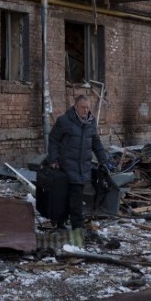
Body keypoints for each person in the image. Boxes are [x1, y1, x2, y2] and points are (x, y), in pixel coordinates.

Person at [46, 94, 109, 232]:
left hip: (82, 167)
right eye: (83, 107)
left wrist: (103, 160)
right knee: (63, 197)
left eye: (87, 107)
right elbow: (53, 140)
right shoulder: (64, 121)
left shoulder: (91, 123)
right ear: (75, 106)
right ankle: (61, 223)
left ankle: (77, 228)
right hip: (65, 166)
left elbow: (96, 143)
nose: (85, 110)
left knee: (76, 199)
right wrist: (53, 159)